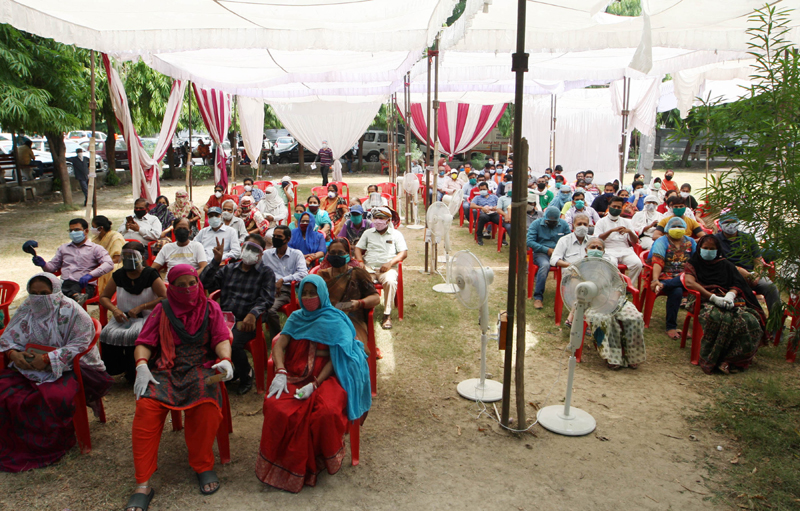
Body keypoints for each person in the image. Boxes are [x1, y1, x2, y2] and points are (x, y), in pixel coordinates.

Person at [124, 265, 233, 510]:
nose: (187, 290)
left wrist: (225, 359)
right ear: (170, 287)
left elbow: (221, 338)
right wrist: (141, 365)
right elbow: (145, 342)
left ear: (199, 283)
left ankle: (203, 464)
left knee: (206, 407)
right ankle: (143, 483)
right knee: (146, 407)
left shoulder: (210, 307)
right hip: (166, 368)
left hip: (201, 367)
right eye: (180, 285)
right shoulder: (162, 310)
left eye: (191, 284)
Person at [256, 275, 371, 493]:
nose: (308, 297)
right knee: (276, 406)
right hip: (295, 373)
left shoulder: (335, 319)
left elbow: (336, 358)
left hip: (330, 375)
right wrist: (280, 371)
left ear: (322, 294)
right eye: (304, 293)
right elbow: (279, 347)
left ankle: (319, 460)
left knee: (325, 412)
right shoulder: (296, 317)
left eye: (313, 292)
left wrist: (315, 384)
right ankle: (289, 462)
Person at [0, 273, 113, 473]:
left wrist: (47, 360)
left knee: (48, 399)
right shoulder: (27, 307)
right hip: (27, 367)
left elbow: (81, 343)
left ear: (56, 292)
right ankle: (10, 444)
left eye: (44, 293)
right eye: (34, 293)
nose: (39, 298)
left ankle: (46, 447)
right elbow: (10, 335)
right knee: (5, 392)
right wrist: (13, 354)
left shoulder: (72, 311)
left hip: (68, 368)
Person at [202, 234, 275, 395]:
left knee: (232, 343)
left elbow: (267, 299)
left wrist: (253, 313)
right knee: (206, 337)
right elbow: (205, 283)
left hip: (246, 320)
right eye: (247, 247)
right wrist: (215, 261)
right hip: (224, 319)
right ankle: (223, 371)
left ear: (261, 254)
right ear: (242, 248)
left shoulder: (266, 273)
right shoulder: (229, 269)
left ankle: (246, 374)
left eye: (254, 249)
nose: (249, 251)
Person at [683, 235, 766, 374]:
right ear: (699, 249)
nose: (708, 251)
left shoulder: (726, 265)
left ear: (718, 250)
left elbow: (737, 282)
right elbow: (690, 282)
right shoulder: (693, 263)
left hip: (727, 299)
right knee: (718, 317)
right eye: (705, 248)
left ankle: (734, 360)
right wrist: (713, 298)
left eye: (712, 249)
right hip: (703, 299)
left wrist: (731, 295)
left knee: (749, 319)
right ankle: (712, 358)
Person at [99, 242, 166, 381]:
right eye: (125, 256)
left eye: (132, 256)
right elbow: (104, 297)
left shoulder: (150, 274)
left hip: (148, 315)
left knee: (135, 335)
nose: (128, 260)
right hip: (123, 316)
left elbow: (165, 297)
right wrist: (115, 309)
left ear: (141, 257)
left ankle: (134, 372)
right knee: (106, 334)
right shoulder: (118, 275)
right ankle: (116, 369)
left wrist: (142, 306)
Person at [581, 243, 647, 369]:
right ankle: (613, 357)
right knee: (605, 320)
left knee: (635, 317)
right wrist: (600, 298)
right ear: (586, 249)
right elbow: (578, 287)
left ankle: (632, 355)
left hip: (616, 301)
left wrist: (612, 300)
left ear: (604, 251)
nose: (595, 250)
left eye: (599, 248)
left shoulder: (609, 266)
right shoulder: (578, 267)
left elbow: (618, 285)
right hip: (592, 304)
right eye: (592, 247)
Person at [29, 218, 114, 305]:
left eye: (76, 230)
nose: (73, 233)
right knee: (43, 288)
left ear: (86, 231)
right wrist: (43, 264)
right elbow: (52, 268)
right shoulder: (63, 248)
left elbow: (109, 264)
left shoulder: (96, 249)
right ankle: (74, 296)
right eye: (71, 230)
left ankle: (74, 296)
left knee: (61, 292)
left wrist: (90, 275)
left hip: (84, 286)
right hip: (64, 284)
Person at [318, 238, 381, 349]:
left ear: (348, 254)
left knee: (346, 343)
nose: (336, 256)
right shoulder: (322, 276)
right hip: (326, 318)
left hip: (352, 320)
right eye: (332, 253)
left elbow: (376, 298)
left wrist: (359, 303)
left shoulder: (357, 273)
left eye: (341, 253)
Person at [715, 214, 781, 315]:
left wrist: (756, 275)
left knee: (771, 287)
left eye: (732, 222)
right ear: (720, 224)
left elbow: (758, 260)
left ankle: (775, 322)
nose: (730, 225)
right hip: (729, 276)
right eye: (726, 222)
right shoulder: (715, 240)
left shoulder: (747, 238)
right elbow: (717, 262)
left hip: (751, 274)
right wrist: (739, 270)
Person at [355, 207, 407, 330]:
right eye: (376, 218)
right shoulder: (368, 233)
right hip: (369, 268)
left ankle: (386, 315)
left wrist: (390, 263)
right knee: (356, 279)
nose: (378, 221)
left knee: (390, 281)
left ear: (388, 221)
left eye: (381, 218)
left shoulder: (396, 234)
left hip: (387, 269)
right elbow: (358, 248)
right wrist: (360, 261)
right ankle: (359, 311)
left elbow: (403, 253)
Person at [649, 217, 697, 340]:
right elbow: (657, 262)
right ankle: (671, 327)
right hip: (665, 275)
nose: (677, 229)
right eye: (674, 227)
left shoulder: (690, 241)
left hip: (687, 276)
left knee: (687, 283)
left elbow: (696, 260)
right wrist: (655, 280)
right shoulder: (662, 241)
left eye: (680, 227)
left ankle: (666, 285)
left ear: (685, 229)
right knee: (677, 291)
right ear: (667, 229)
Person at [262, 225, 309, 340]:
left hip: (285, 290)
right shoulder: (266, 254)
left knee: (270, 310)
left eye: (279, 236)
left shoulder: (296, 254)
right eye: (274, 236)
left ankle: (278, 338)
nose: (275, 239)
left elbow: (303, 273)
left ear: (287, 239)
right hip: (267, 289)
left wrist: (283, 280)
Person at [526, 207, 570, 309]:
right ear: (544, 218)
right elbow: (529, 241)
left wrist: (559, 251)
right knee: (545, 265)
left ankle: (569, 295)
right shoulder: (536, 224)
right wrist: (546, 250)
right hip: (541, 253)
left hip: (559, 254)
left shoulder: (563, 224)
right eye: (549, 221)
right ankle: (538, 297)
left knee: (571, 265)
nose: (551, 223)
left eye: (554, 222)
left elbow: (569, 239)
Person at [593, 196, 643, 283]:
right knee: (611, 263)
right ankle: (613, 285)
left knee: (637, 264)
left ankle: (626, 286)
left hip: (625, 249)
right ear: (609, 207)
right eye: (614, 206)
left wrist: (629, 232)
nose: (616, 209)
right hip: (608, 249)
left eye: (619, 207)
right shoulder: (601, 222)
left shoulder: (626, 222)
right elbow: (598, 239)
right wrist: (611, 231)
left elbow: (635, 241)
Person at [90, 215, 125, 295]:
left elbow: (117, 259)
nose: (92, 229)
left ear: (100, 228)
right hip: (99, 263)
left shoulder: (116, 238)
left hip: (114, 264)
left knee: (110, 269)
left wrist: (102, 264)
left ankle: (105, 294)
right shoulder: (96, 238)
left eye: (93, 226)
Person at [470, 182, 500, 247]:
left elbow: (500, 205)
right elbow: (472, 205)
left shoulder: (494, 197)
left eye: (484, 189)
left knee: (500, 220)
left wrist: (495, 207)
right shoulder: (477, 197)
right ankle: (479, 237)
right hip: (484, 213)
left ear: (488, 189)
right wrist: (481, 207)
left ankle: (502, 239)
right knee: (482, 218)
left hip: (493, 213)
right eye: (481, 190)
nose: (482, 191)